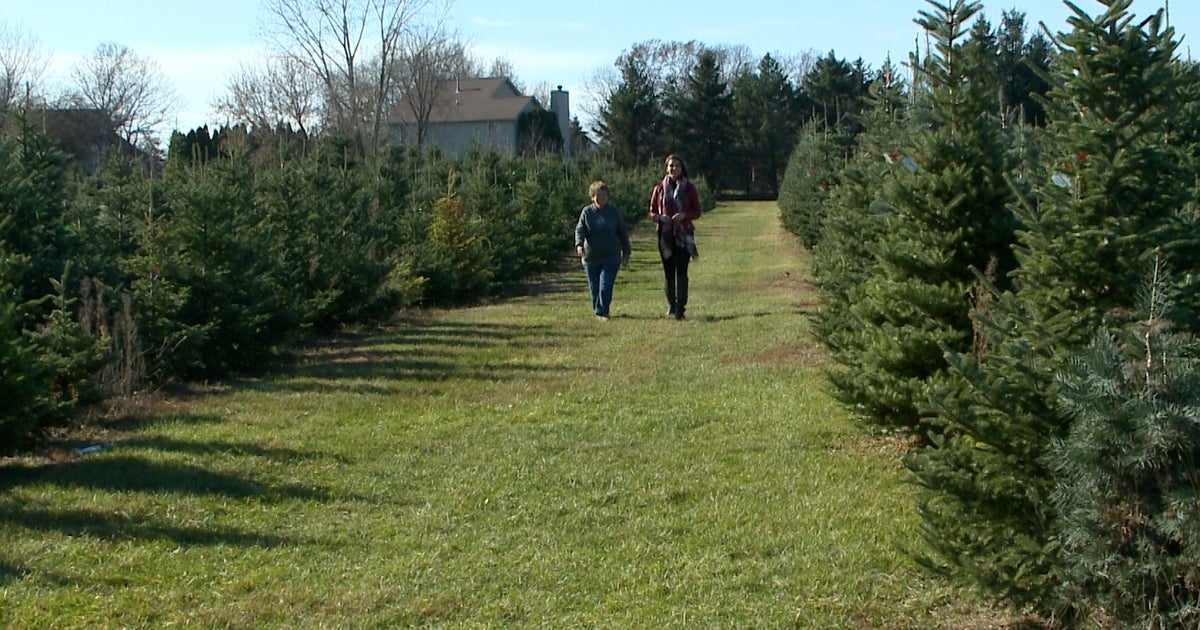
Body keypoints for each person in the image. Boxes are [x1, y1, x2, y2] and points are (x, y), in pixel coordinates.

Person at [648, 154, 701, 320]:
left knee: (682, 272)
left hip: (683, 235)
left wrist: (684, 215)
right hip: (665, 236)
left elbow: (697, 211)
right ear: (666, 168)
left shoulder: (689, 188)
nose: (673, 169)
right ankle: (671, 304)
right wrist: (659, 218)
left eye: (677, 166)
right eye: (671, 166)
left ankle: (681, 308)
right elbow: (651, 212)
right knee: (668, 272)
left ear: (681, 168)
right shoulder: (659, 189)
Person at [575, 180, 631, 320]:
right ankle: (599, 311)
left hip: (611, 257)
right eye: (598, 196)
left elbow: (622, 231)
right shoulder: (587, 212)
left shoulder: (614, 212)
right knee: (594, 287)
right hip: (591, 257)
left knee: (605, 284)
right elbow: (580, 230)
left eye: (604, 195)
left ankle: (602, 311)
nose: (601, 199)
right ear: (592, 197)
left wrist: (626, 250)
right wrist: (579, 244)